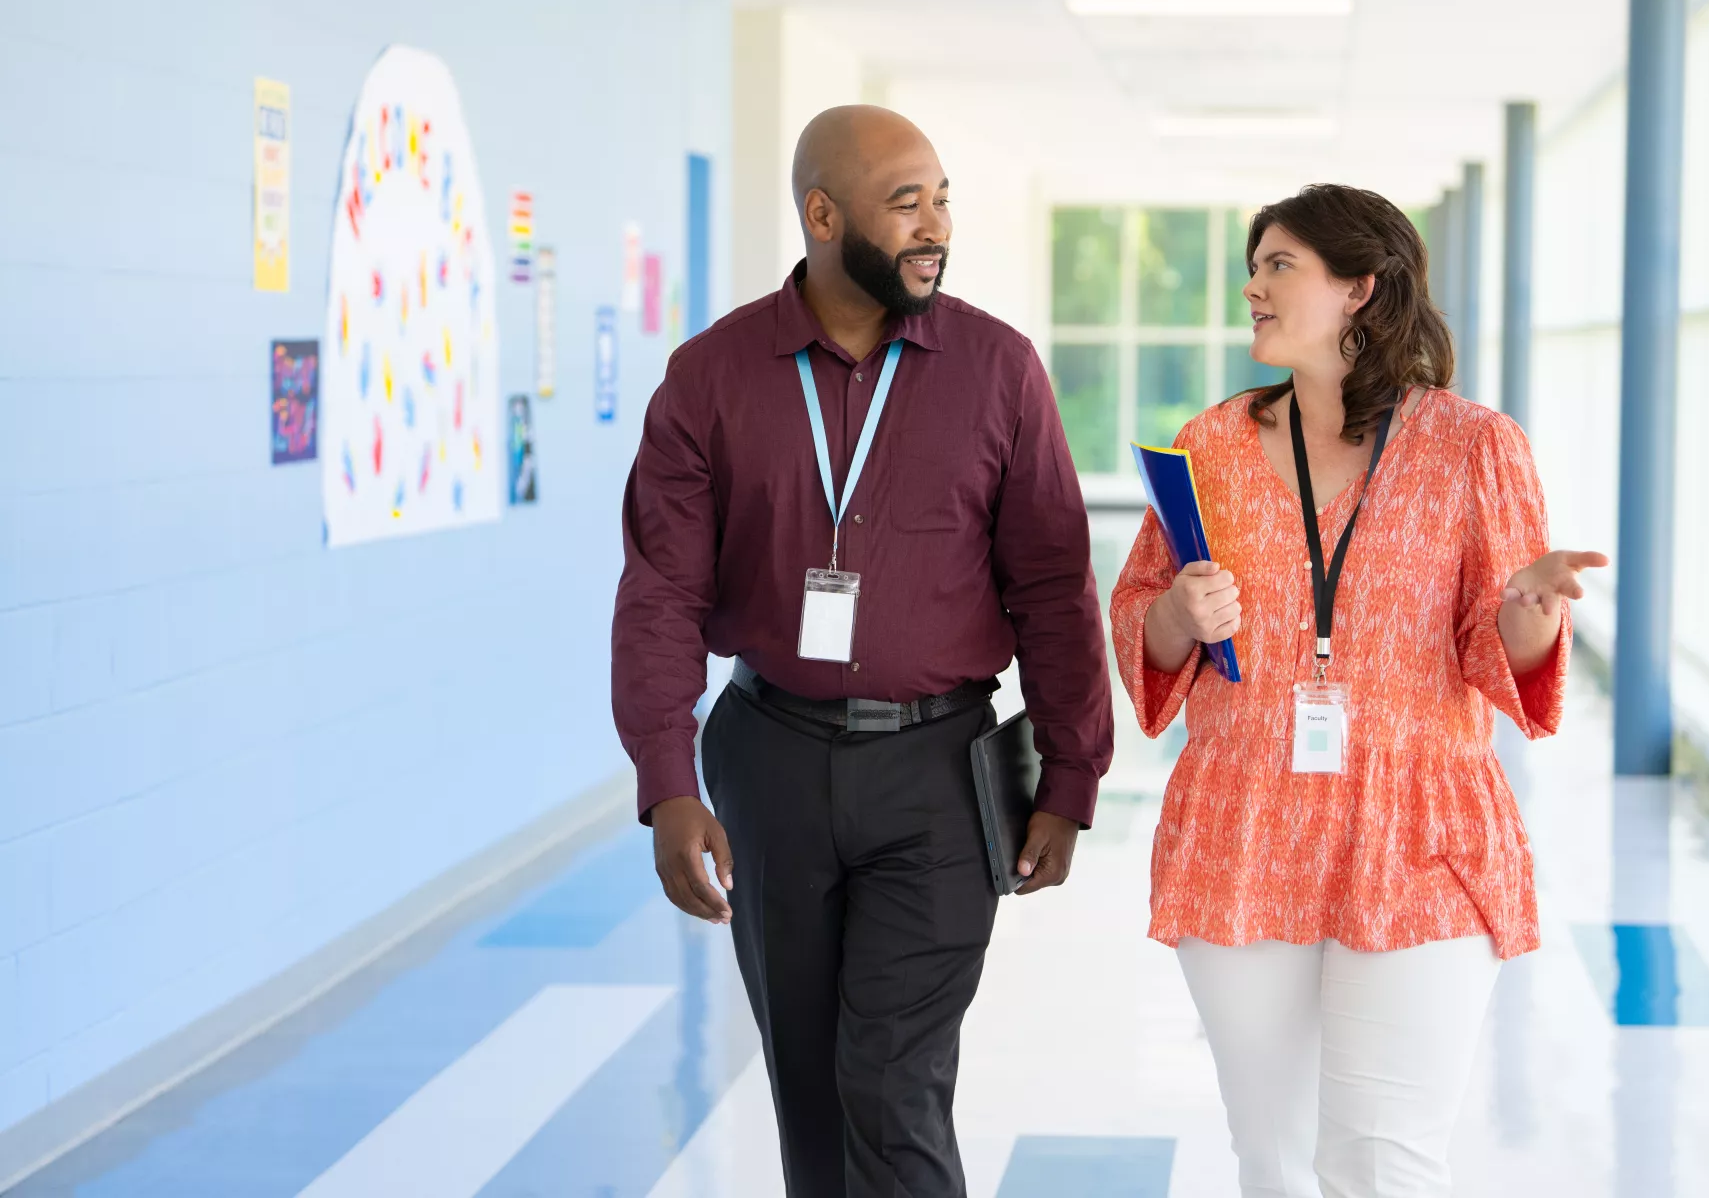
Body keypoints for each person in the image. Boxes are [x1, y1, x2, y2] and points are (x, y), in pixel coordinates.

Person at [611, 105, 1114, 1198]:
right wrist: (667, 782)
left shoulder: (997, 369)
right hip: (769, 759)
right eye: (907, 202)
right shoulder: (711, 376)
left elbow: (1054, 586)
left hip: (940, 772)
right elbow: (660, 590)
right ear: (824, 213)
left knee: (892, 1079)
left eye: (944, 198)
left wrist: (1072, 773)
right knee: (811, 1091)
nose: (937, 225)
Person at [1109, 184, 1607, 1198]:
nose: (1251, 286)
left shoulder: (1474, 447)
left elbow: (1498, 647)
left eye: (1279, 265)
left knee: (1383, 1160)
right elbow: (1144, 615)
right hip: (1244, 828)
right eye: (1254, 266)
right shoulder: (1206, 445)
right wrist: (1179, 616)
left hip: (1419, 831)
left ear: (1360, 290)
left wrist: (1531, 605)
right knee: (1275, 1159)